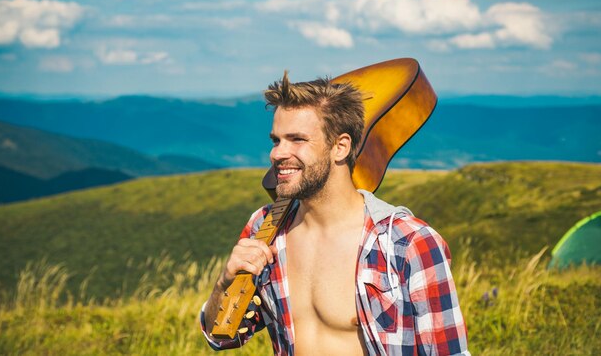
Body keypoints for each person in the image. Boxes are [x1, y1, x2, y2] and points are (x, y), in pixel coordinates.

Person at [200, 73, 469, 355]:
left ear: (340, 147)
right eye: (276, 140)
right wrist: (224, 282)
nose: (278, 153)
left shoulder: (408, 244)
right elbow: (221, 337)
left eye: (297, 139)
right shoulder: (266, 227)